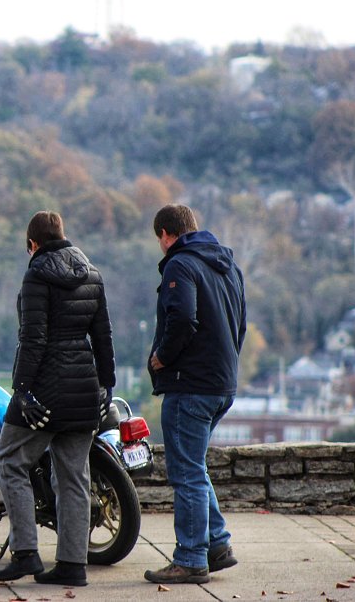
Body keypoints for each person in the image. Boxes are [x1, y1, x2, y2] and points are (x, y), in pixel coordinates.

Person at [0, 211, 116, 587]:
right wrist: (106, 386)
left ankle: (26, 553)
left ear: (32, 244)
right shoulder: (91, 273)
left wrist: (21, 388)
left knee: (10, 460)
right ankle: (72, 566)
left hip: (45, 388)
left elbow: (34, 338)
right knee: (74, 477)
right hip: (84, 389)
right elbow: (104, 337)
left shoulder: (36, 274)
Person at [143, 203, 246, 585]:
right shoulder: (227, 265)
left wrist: (161, 358)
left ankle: (190, 558)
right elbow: (241, 323)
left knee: (185, 472)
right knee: (195, 465)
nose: (160, 246)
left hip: (190, 383)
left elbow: (183, 318)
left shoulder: (180, 265)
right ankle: (216, 544)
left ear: (167, 235)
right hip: (222, 383)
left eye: (160, 239)